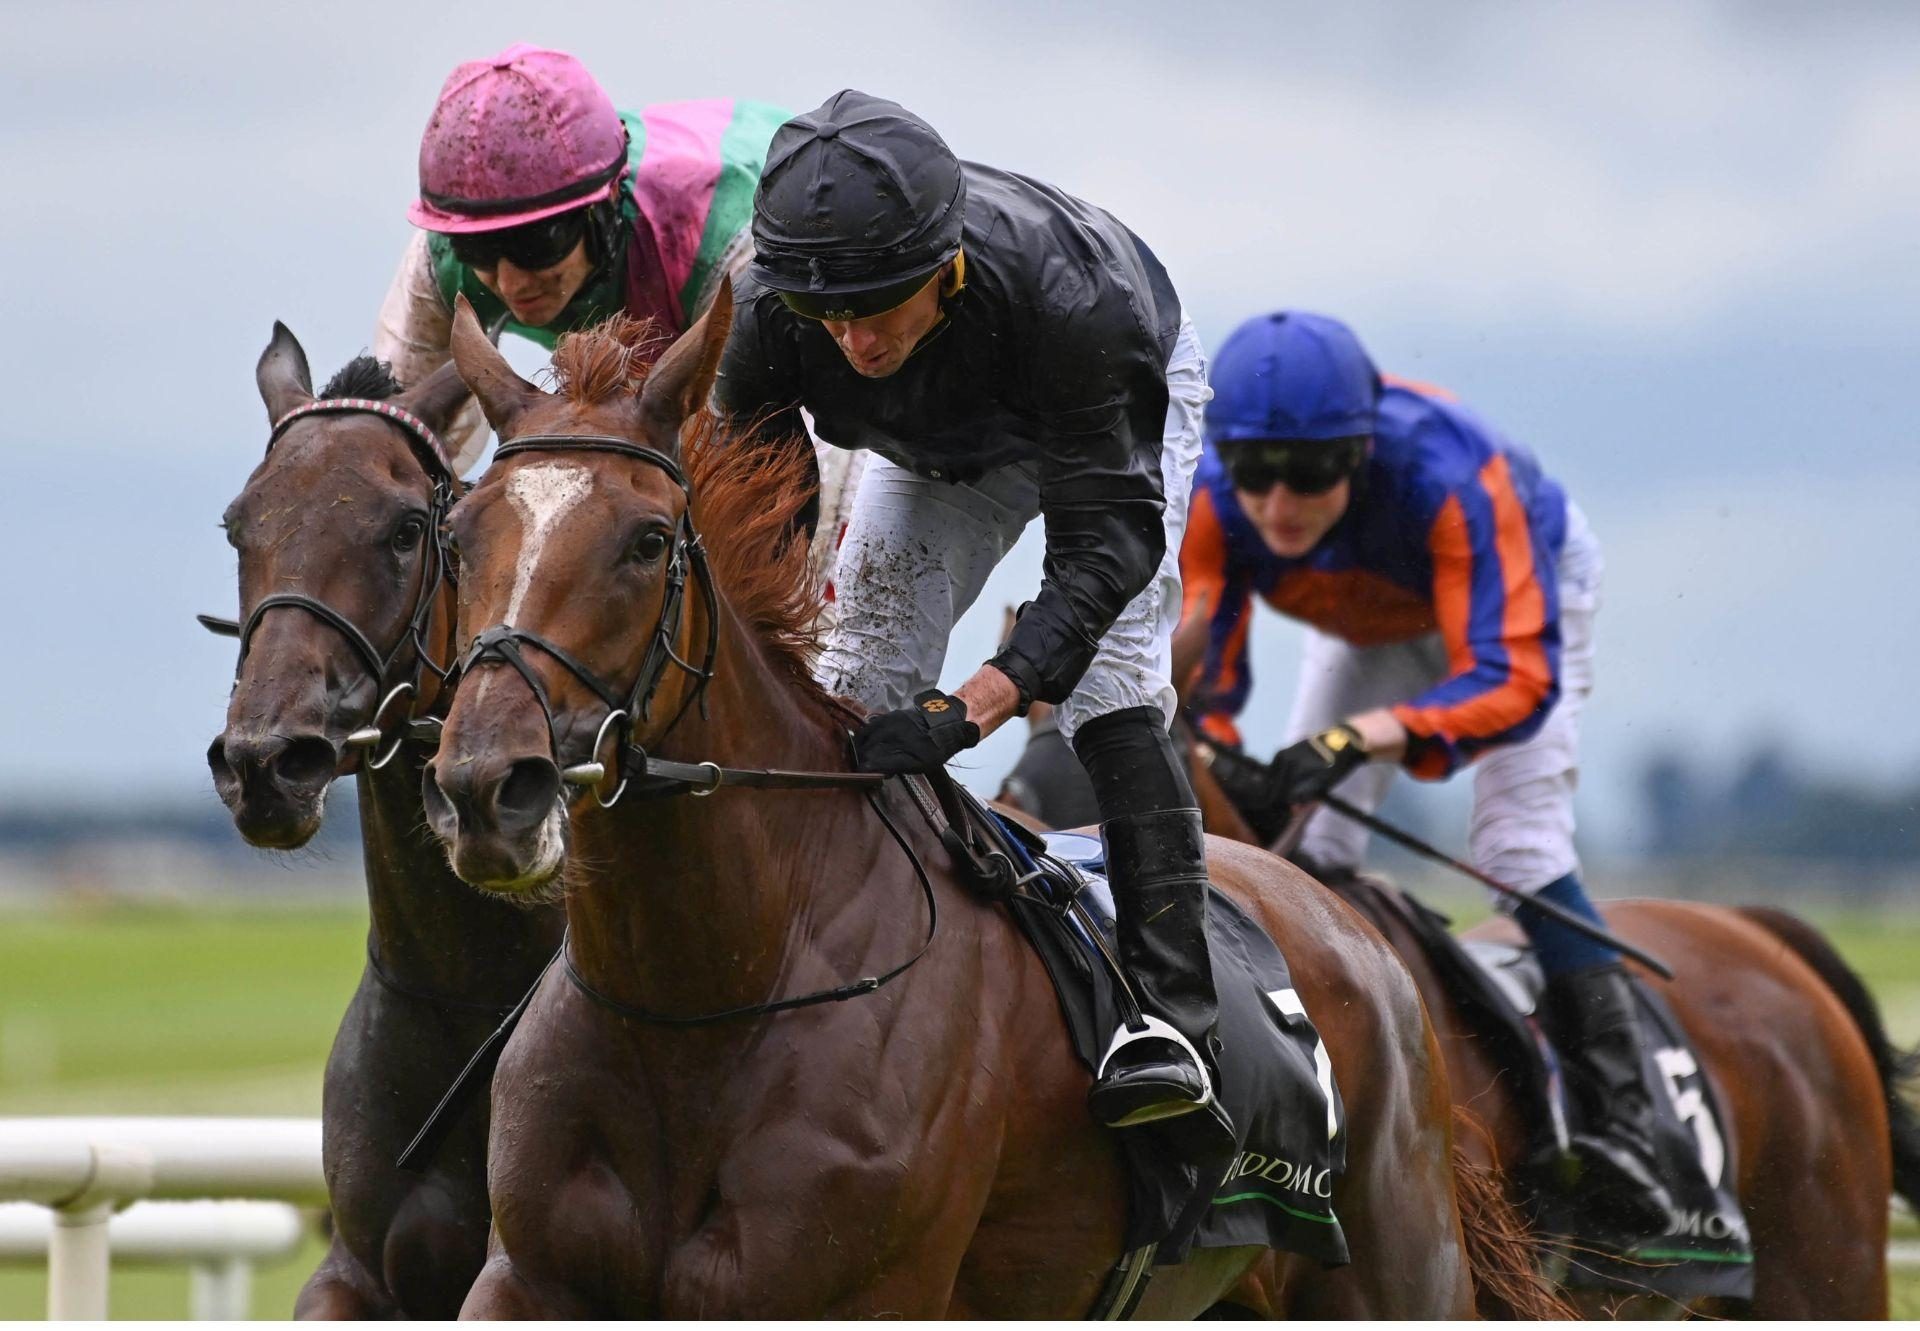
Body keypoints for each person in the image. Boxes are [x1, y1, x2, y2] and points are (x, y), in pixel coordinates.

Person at [714, 90, 1223, 1131]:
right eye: (829, 315)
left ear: (943, 265)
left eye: (878, 303)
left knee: (1111, 683)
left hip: (1099, 415)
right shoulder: (766, 303)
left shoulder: (1077, 300)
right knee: (855, 677)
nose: (853, 341)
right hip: (931, 447)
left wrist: (976, 706)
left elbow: (1106, 548)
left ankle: (1176, 1020)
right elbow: (761, 520)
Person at [1181, 308, 1672, 1230]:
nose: (1279, 504)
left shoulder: (1454, 478)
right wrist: (1215, 752)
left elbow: (1512, 680)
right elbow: (1202, 671)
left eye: (1312, 474)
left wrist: (1360, 737)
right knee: (1306, 848)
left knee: (1516, 849)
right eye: (1255, 475)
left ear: (1360, 454)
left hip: (1514, 600)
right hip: (1370, 618)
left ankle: (1628, 1129)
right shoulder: (1211, 499)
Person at [371, 43, 792, 475]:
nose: (511, 285)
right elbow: (394, 459)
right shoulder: (441, 252)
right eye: (477, 250)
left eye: (535, 243)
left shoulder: (723, 241)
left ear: (606, 200)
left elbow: (767, 458)